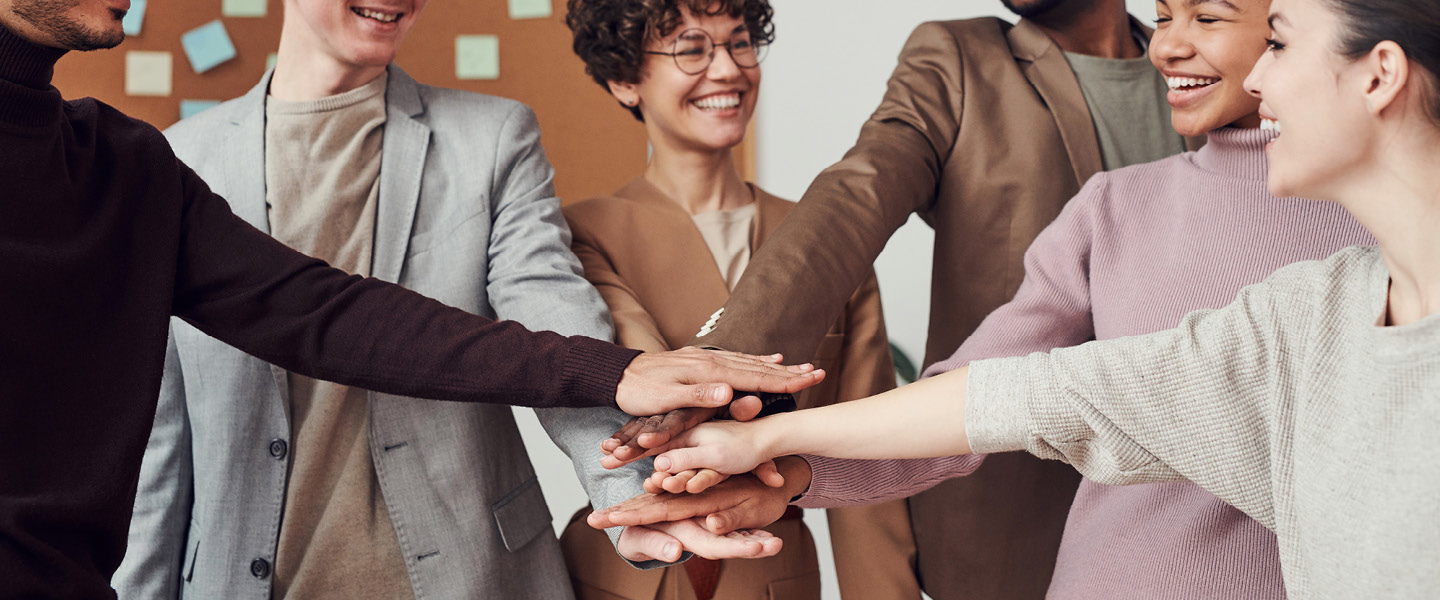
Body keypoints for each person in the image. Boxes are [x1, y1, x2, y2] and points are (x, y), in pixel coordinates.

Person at [608, 0, 1440, 596]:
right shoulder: (1253, 280)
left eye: (1225, 23)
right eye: (1170, 13)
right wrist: (763, 436)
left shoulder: (1343, 261)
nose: (1180, 45)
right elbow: (1012, 380)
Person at [0, 0, 825, 596]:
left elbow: (331, 314)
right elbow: (160, 446)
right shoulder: (183, 156)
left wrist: (616, 405)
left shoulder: (124, 167)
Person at [558, 1, 914, 598]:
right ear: (624, 79)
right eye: (692, 48)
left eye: (740, 43)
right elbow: (645, 390)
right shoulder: (582, 233)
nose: (727, 70)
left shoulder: (826, 236)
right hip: (618, 575)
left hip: (774, 571)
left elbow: (868, 447)